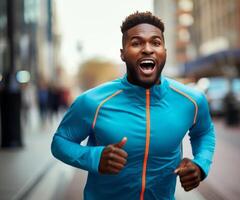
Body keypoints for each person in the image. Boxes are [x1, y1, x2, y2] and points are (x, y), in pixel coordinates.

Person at [51, 11, 216, 200]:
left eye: (156, 42)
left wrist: (201, 164)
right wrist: (95, 157)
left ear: (164, 51)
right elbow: (60, 142)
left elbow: (204, 132)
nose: (147, 49)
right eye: (136, 43)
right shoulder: (92, 102)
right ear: (122, 54)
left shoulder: (192, 100)